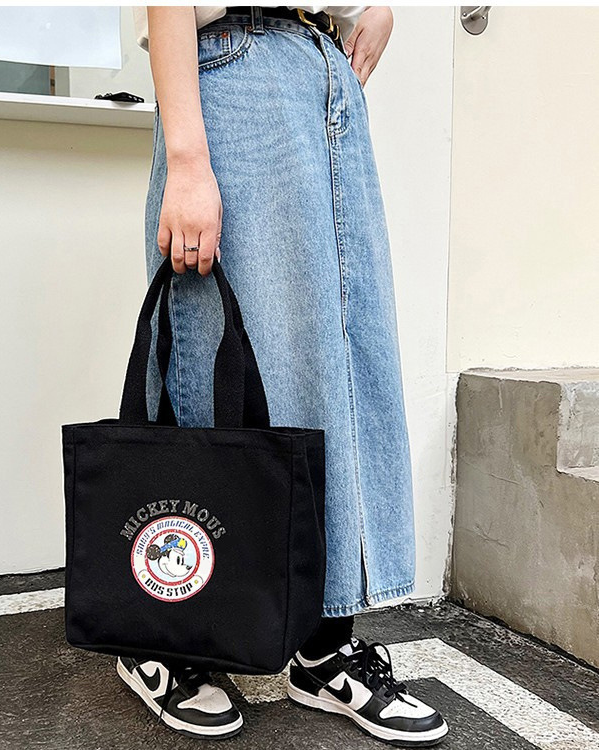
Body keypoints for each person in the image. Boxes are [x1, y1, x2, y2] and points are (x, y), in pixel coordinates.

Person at [117, 5, 449, 746]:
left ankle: (322, 643)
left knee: (344, 359)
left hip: (321, 68)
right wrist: (187, 160)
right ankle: (167, 632)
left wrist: (372, 10)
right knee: (211, 344)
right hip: (231, 70)